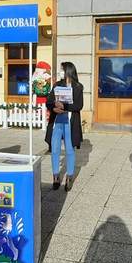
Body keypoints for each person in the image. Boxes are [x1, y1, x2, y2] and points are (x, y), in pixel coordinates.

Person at [44, 62, 83, 192]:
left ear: (68, 71)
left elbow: (79, 106)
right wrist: (54, 107)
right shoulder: (57, 85)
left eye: (62, 69)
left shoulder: (78, 87)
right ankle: (55, 176)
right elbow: (48, 102)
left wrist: (64, 107)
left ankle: (69, 178)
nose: (60, 72)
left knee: (70, 150)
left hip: (70, 123)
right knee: (54, 149)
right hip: (57, 122)